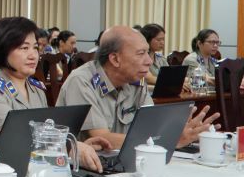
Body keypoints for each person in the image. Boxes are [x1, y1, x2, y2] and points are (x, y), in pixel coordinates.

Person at [0, 17, 110, 172]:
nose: (33, 55)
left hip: (36, 168)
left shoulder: (37, 89)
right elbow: (21, 137)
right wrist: (70, 146)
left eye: (35, 48)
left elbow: (46, 131)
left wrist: (77, 144)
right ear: (2, 50)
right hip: (0, 173)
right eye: (24, 48)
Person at [56, 26, 219, 149]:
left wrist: (177, 131)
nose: (149, 61)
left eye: (148, 53)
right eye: (141, 54)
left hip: (127, 161)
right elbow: (103, 140)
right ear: (115, 59)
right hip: (86, 170)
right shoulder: (83, 81)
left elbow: (153, 128)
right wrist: (169, 140)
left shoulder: (135, 82)